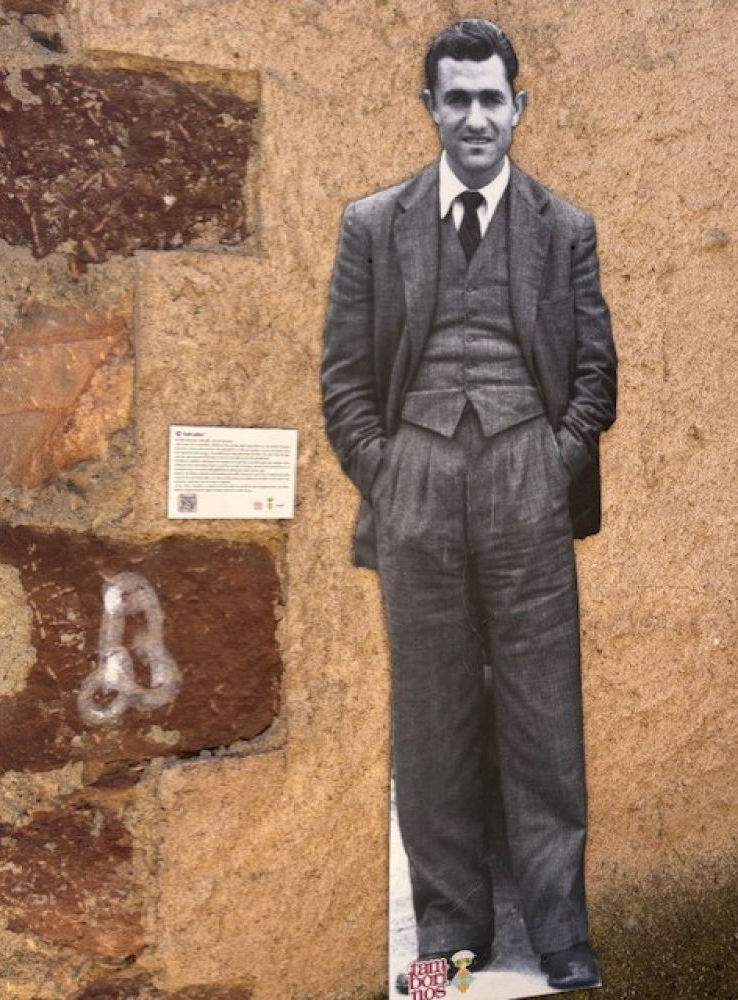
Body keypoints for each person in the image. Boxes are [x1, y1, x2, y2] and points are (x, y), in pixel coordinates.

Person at [321, 18, 616, 993]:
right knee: (432, 717)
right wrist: (389, 470)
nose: (477, 116)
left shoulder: (563, 228)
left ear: (517, 107)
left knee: (543, 718)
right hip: (415, 502)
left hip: (525, 493)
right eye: (458, 97)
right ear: (430, 107)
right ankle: (451, 928)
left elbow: (594, 376)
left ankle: (558, 925)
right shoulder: (372, 225)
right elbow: (343, 381)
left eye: (493, 98)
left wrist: (549, 460)